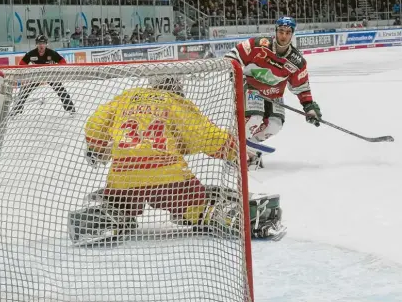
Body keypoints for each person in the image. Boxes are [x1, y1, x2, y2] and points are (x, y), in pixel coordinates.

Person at [68, 77, 283, 245]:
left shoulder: (126, 97)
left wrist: (97, 148)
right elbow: (204, 136)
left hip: (123, 176)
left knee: (120, 201)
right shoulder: (174, 102)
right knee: (197, 205)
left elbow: (94, 125)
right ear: (174, 86)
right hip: (168, 177)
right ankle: (219, 215)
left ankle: (112, 215)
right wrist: (234, 149)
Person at [225, 16, 322, 168]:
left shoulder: (297, 61)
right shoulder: (258, 44)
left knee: (275, 125)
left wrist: (309, 107)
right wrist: (233, 69)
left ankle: (248, 147)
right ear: (276, 31)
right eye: (281, 31)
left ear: (292, 34)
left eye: (288, 32)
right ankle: (236, 151)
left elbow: (301, 87)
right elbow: (234, 54)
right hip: (251, 87)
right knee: (255, 117)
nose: (284, 36)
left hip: (274, 93)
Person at [12, 35, 76, 115]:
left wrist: (57, 70)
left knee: (60, 89)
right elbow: (21, 64)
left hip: (50, 75)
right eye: (39, 43)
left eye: (43, 43)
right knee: (25, 91)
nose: (41, 45)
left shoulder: (51, 53)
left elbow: (62, 62)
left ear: (46, 44)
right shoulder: (31, 54)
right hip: (36, 76)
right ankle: (17, 110)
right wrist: (27, 72)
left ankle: (70, 109)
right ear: (36, 44)